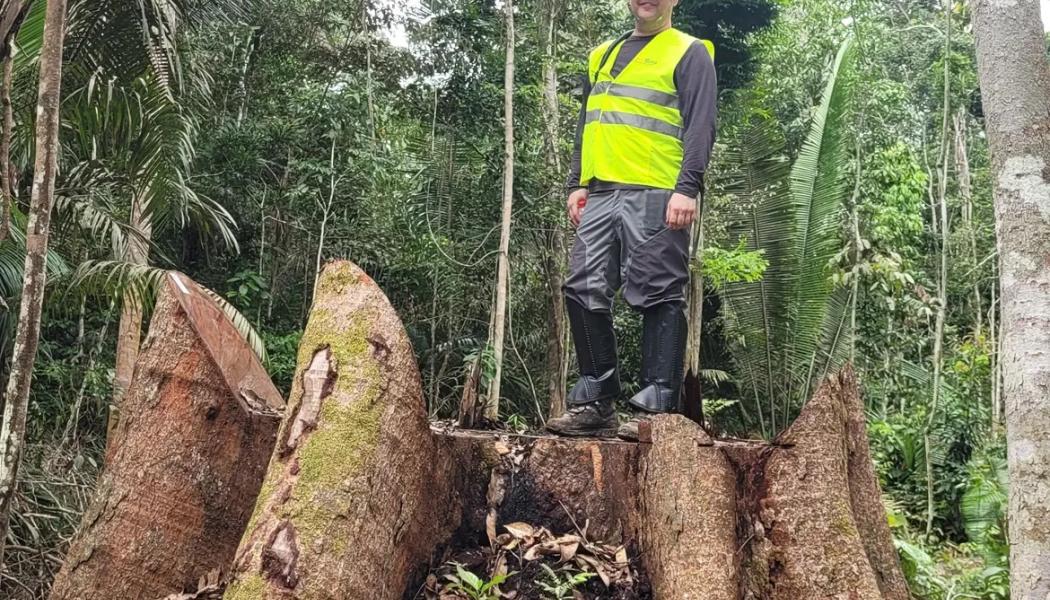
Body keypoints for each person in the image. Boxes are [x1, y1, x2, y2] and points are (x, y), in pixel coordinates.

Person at [546, 0, 717, 441]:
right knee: (582, 286)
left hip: (657, 190)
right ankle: (597, 400)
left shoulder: (689, 51)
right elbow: (588, 122)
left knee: (660, 290)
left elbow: (701, 126)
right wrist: (576, 182)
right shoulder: (601, 54)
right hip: (601, 191)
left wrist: (687, 187)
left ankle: (659, 408)